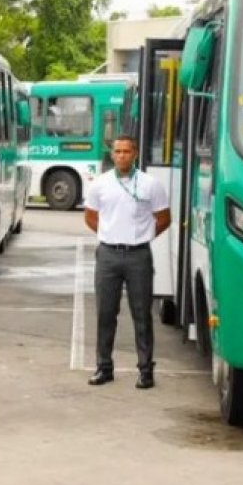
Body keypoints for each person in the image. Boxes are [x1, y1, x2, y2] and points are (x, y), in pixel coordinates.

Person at [83, 135, 171, 389]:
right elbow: (90, 216)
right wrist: (110, 234)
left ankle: (145, 370)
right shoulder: (100, 184)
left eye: (126, 151)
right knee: (105, 313)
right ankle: (104, 367)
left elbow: (164, 218)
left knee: (142, 313)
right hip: (108, 255)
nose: (121, 156)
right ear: (112, 155)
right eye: (117, 151)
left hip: (138, 256)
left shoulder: (150, 184)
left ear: (135, 154)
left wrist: (141, 236)